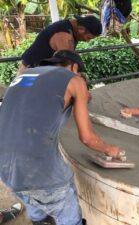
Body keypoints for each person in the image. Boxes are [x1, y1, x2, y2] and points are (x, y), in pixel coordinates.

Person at [0, 50, 122, 225]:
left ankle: (39, 221)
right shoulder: (74, 80)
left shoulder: (25, 74)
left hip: (4, 167)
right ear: (74, 67)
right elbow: (87, 138)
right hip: (38, 170)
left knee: (29, 195)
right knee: (65, 206)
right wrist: (109, 149)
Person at [20, 15, 102, 71]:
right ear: (81, 29)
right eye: (88, 38)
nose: (87, 41)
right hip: (30, 71)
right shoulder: (64, 35)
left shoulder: (70, 29)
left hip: (40, 70)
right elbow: (66, 65)